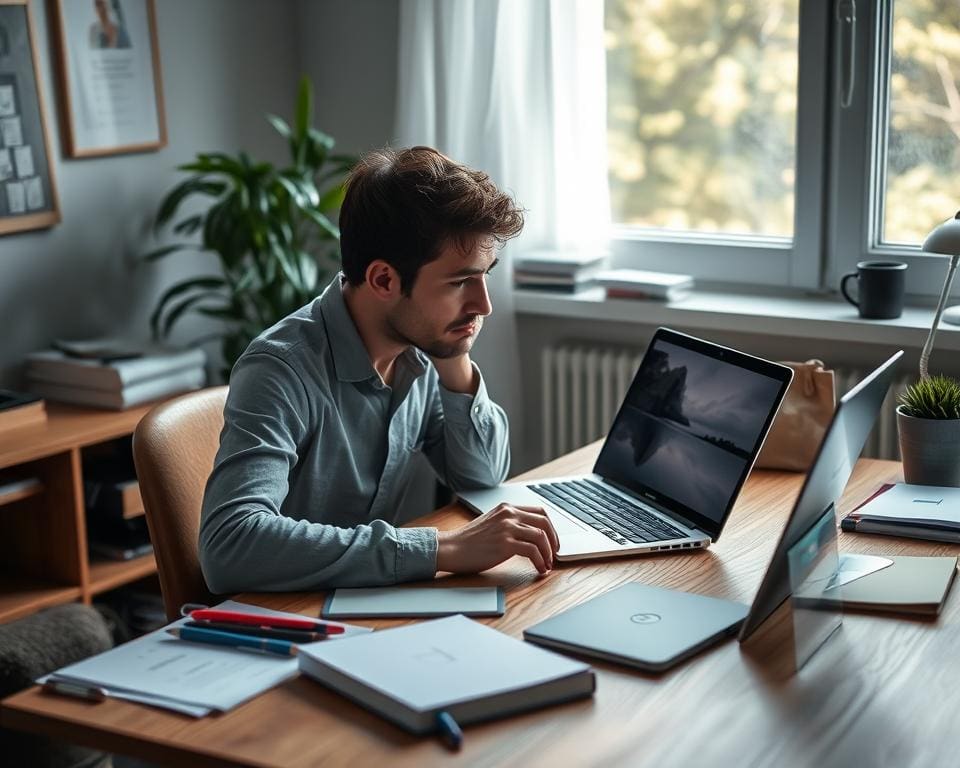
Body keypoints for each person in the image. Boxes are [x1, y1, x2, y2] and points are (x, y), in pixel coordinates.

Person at [199, 146, 559, 593]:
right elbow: (229, 545)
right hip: (282, 620)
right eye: (460, 282)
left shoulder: (418, 349)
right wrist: (442, 550)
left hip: (365, 604)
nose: (483, 304)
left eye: (484, 276)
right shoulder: (280, 369)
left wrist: (453, 352)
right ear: (384, 280)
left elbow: (482, 477)